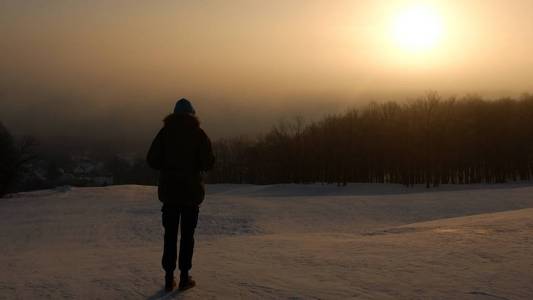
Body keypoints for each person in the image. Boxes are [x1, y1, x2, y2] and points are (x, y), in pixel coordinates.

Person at [147, 98, 215, 292]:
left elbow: (151, 159)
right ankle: (184, 278)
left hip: (169, 193)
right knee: (187, 236)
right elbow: (208, 162)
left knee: (169, 236)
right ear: (192, 114)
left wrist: (167, 168)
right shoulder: (198, 134)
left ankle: (169, 278)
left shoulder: (165, 133)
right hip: (191, 194)